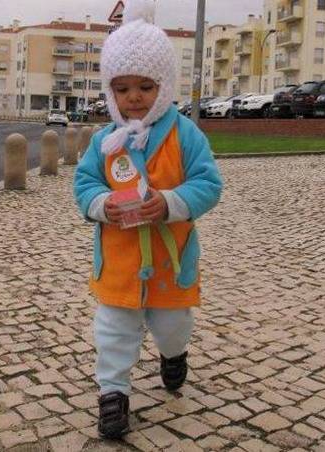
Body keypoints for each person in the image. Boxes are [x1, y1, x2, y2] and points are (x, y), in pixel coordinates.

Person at [73, 0, 223, 439]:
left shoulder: (185, 134)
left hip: (170, 262)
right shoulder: (104, 141)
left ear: (164, 85)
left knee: (173, 327)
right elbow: (83, 185)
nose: (133, 97)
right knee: (114, 332)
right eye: (122, 88)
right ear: (110, 91)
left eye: (144, 86)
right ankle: (113, 395)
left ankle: (174, 356)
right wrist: (102, 205)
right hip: (119, 262)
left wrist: (172, 202)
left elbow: (209, 183)